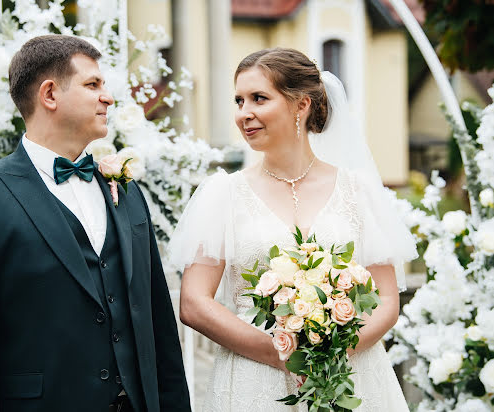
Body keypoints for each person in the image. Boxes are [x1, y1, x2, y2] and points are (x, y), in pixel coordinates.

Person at [0, 34, 190, 412]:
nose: (108, 97)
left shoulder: (125, 189)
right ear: (49, 94)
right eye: (93, 85)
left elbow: (159, 325)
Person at [169, 48, 417, 411]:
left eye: (259, 98)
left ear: (301, 105)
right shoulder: (223, 194)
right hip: (255, 378)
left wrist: (333, 353)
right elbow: (193, 303)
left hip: (348, 375)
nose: (244, 113)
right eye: (239, 101)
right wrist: (278, 354)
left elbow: (387, 299)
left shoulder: (358, 190)